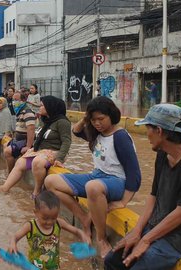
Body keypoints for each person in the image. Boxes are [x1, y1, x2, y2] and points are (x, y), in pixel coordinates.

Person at [104, 104, 181, 270]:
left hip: (180, 239)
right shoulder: (162, 154)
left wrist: (145, 240)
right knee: (112, 260)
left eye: (147, 129)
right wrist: (137, 231)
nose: (147, 135)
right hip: (155, 227)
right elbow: (153, 195)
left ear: (158, 130)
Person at [44, 96, 141, 258]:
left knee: (92, 187)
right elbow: (75, 130)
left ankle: (101, 239)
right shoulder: (96, 133)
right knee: (50, 181)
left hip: (116, 181)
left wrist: (124, 201)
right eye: (94, 120)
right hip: (96, 176)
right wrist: (86, 118)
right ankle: (84, 218)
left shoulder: (120, 137)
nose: (97, 123)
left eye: (101, 119)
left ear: (112, 116)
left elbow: (134, 173)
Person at [0, 96, 71, 195]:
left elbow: (66, 142)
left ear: (50, 107)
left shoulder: (62, 122)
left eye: (42, 105)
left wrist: (60, 159)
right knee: (20, 162)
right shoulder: (46, 121)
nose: (40, 106)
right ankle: (5, 187)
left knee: (37, 161)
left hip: (55, 151)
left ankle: (37, 191)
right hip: (41, 150)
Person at [6, 190, 90, 269]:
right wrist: (13, 244)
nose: (49, 222)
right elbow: (15, 236)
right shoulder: (31, 226)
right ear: (35, 212)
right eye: (45, 218)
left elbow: (75, 230)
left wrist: (83, 235)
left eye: (53, 218)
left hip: (54, 266)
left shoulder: (59, 223)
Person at [3, 92, 36, 172]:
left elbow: (31, 129)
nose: (14, 102)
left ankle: (10, 173)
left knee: (7, 151)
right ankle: (10, 168)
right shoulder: (19, 111)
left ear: (23, 100)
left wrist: (28, 146)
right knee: (5, 145)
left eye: (16, 100)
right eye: (13, 100)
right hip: (18, 139)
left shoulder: (27, 112)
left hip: (25, 141)